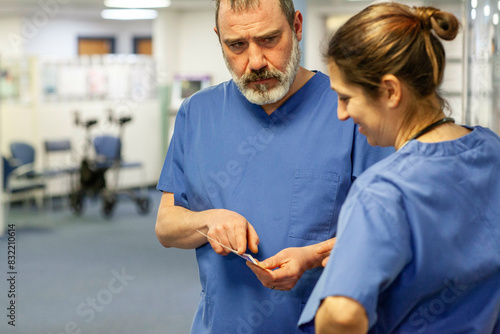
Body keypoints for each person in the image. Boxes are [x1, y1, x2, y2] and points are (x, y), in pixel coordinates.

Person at [155, 0, 391, 332]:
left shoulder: (349, 112)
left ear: (296, 26)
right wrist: (208, 222)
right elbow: (166, 224)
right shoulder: (197, 114)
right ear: (218, 38)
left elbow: (388, 233)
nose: (255, 62)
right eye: (236, 45)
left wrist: (311, 256)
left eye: (269, 40)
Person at [298, 3, 500, 333]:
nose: (341, 114)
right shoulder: (491, 149)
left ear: (391, 91)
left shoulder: (383, 190)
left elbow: (342, 315)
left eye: (346, 98)